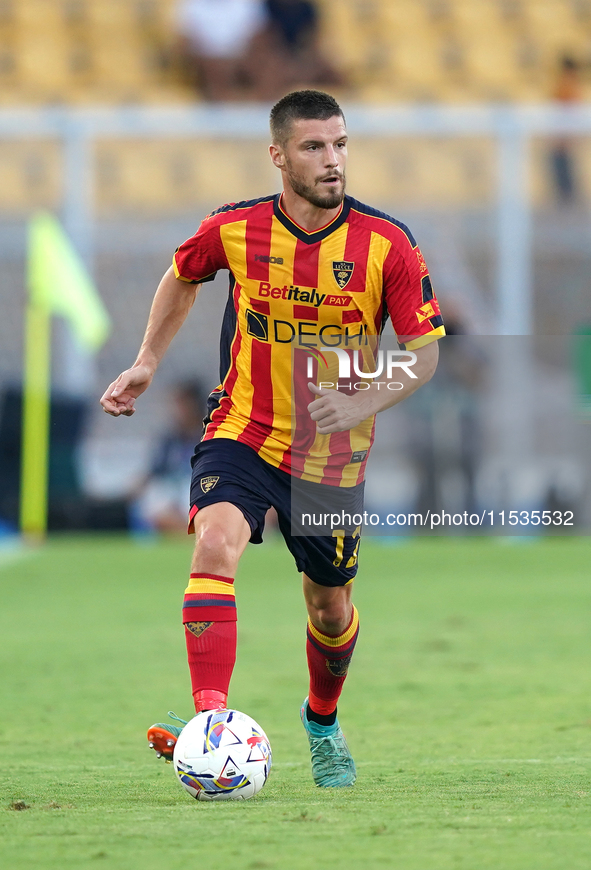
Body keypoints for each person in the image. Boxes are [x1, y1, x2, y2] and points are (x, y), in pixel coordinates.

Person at [100, 90, 444, 788]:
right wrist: (146, 360)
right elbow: (182, 275)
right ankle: (209, 724)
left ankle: (321, 720)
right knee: (214, 542)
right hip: (243, 429)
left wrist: (367, 398)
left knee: (329, 605)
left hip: (331, 456)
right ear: (278, 154)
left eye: (340, 145)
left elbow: (424, 351)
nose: (332, 160)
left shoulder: (387, 244)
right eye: (315, 147)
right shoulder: (234, 227)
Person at [130, 381, 205, 535]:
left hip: (199, 486)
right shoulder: (170, 439)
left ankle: (188, 536)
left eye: (183, 405)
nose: (178, 411)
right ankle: (192, 536)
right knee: (152, 503)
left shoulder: (209, 435)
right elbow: (156, 469)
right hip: (172, 488)